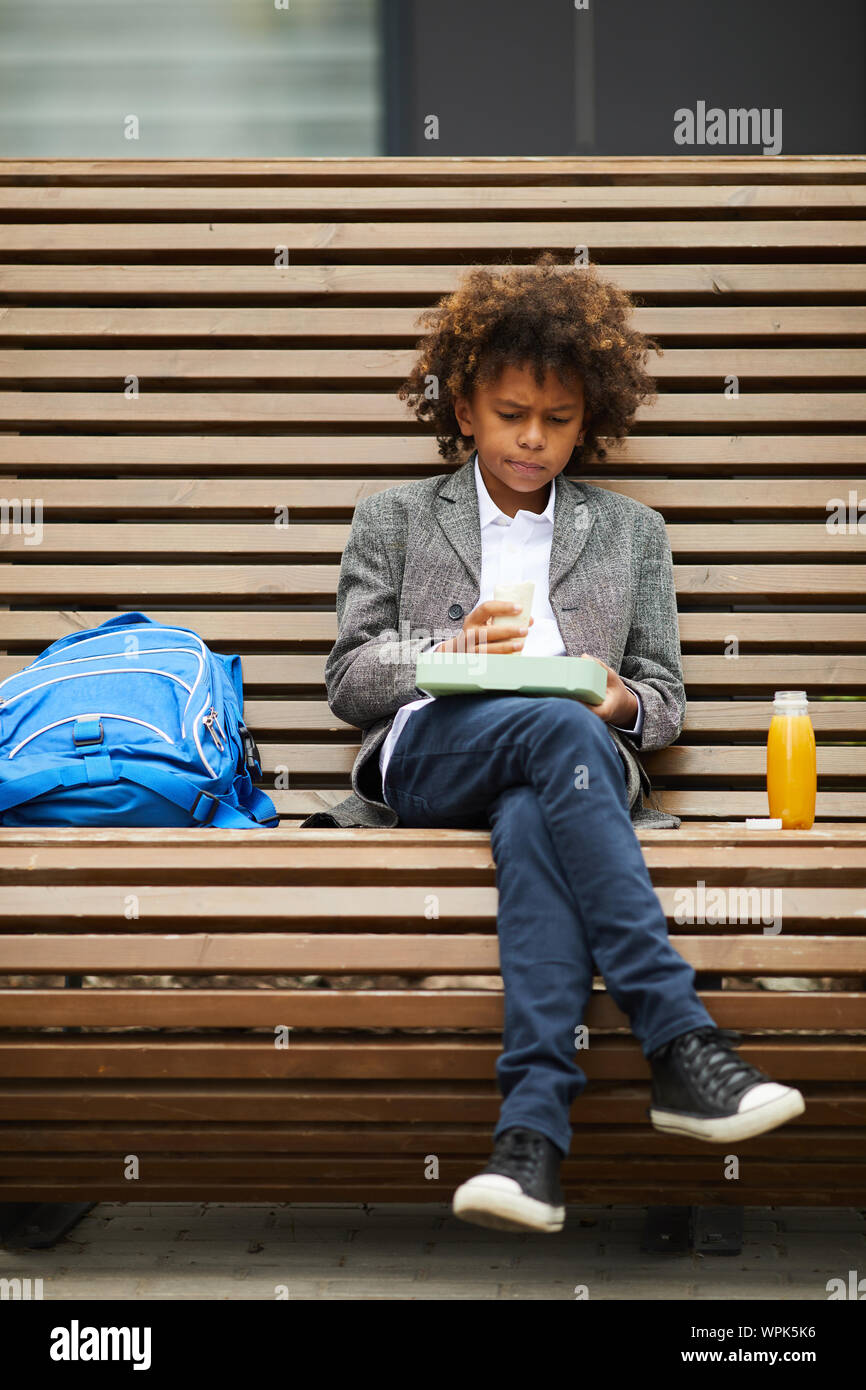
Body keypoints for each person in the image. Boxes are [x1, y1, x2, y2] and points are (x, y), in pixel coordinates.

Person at [310, 254, 805, 1235]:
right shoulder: (396, 516)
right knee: (550, 719)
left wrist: (618, 696)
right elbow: (348, 681)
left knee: (543, 792)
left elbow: (664, 700)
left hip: (569, 769)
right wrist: (441, 652)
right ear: (462, 406)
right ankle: (677, 1036)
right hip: (430, 752)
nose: (533, 438)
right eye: (507, 414)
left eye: (558, 419)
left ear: (592, 418)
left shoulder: (630, 533)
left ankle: (528, 1141)